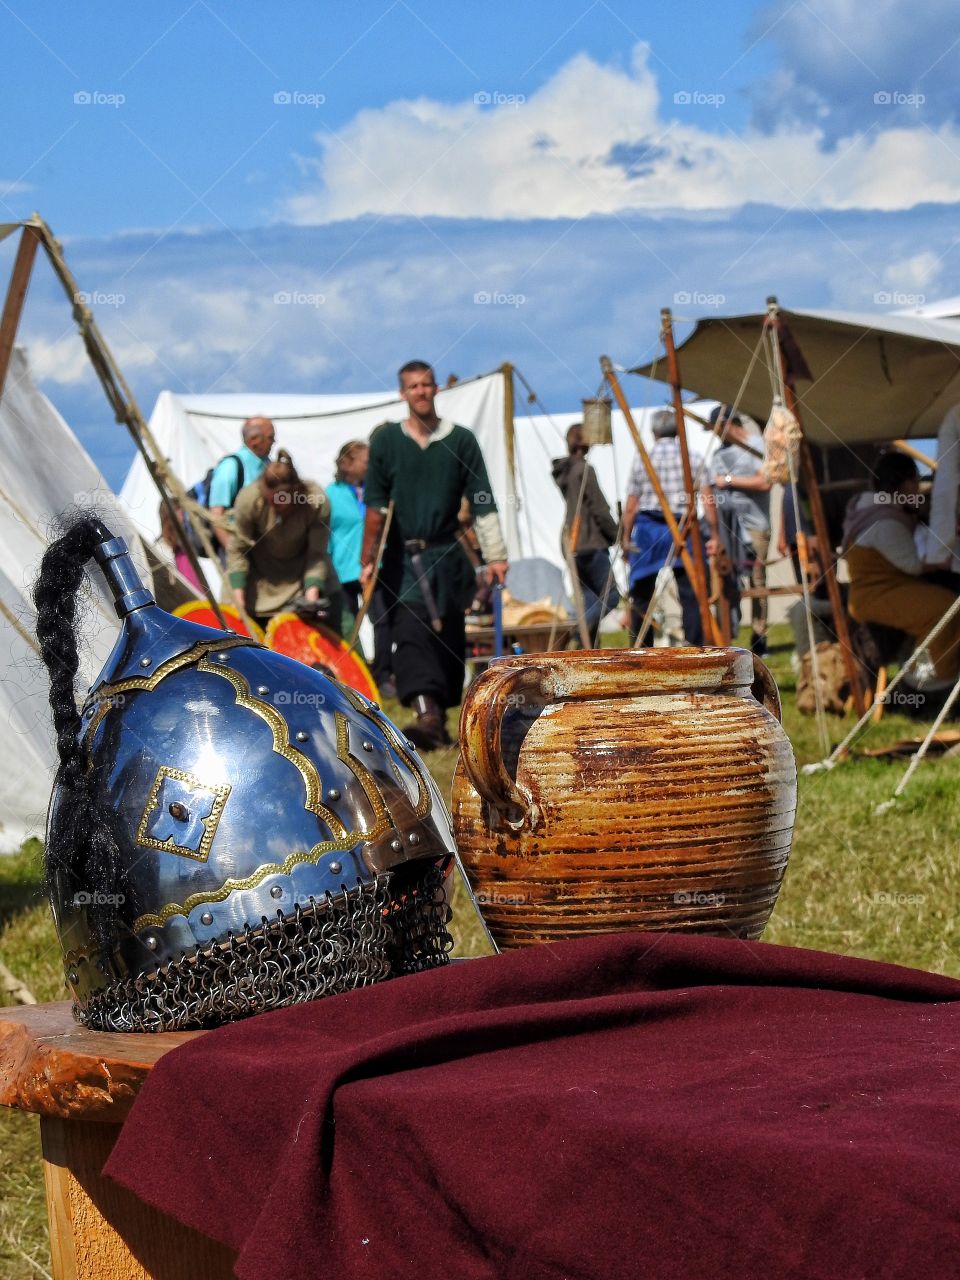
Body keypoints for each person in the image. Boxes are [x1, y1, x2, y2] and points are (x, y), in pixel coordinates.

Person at [361, 360, 508, 749]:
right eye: (413, 386)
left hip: (447, 557)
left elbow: (482, 499)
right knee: (411, 633)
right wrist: (367, 561)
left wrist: (495, 554)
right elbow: (375, 507)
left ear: (436, 389)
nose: (421, 392)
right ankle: (426, 716)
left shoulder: (460, 440)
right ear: (402, 393)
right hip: (401, 561)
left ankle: (441, 715)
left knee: (449, 637)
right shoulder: (387, 442)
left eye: (426, 385)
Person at [843, 452, 960, 683]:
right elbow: (913, 566)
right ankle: (924, 679)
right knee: (944, 608)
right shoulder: (886, 522)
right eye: (915, 482)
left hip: (884, 588)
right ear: (902, 483)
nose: (918, 488)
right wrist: (942, 561)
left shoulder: (876, 509)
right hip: (876, 595)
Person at [227, 449, 340, 632]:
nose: (276, 506)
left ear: (295, 491)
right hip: (257, 582)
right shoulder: (249, 500)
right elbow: (238, 550)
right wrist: (238, 597)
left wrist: (311, 598)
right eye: (271, 500)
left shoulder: (315, 503)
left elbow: (317, 554)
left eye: (281, 500)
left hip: (301, 579)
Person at [622, 408, 704, 646]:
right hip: (681, 528)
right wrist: (715, 536)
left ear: (654, 432)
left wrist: (626, 539)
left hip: (649, 530)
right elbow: (708, 497)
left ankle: (641, 649)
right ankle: (694, 646)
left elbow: (631, 505)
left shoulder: (643, 460)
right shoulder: (692, 457)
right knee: (689, 591)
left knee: (641, 593)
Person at [706, 405, 772, 655]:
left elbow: (765, 480)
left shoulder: (756, 444)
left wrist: (730, 481)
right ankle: (727, 636)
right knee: (729, 578)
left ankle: (759, 636)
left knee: (757, 581)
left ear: (728, 424)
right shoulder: (718, 455)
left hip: (755, 525)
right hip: (729, 528)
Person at [551, 423, 620, 645]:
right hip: (589, 541)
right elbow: (599, 508)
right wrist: (616, 534)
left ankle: (588, 646)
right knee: (611, 595)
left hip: (573, 543)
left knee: (591, 598)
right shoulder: (583, 470)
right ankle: (577, 630)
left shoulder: (567, 471)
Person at [209, 416, 276, 553]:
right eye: (270, 437)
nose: (274, 442)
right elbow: (216, 516)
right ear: (254, 440)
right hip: (240, 550)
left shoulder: (270, 466)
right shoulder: (230, 467)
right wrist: (235, 556)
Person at [326, 440, 369, 643]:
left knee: (382, 620)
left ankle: (382, 671)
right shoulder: (331, 494)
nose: (369, 466)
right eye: (365, 461)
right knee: (348, 621)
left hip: (372, 566)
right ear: (347, 463)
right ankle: (353, 664)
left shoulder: (374, 491)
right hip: (342, 569)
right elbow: (324, 533)